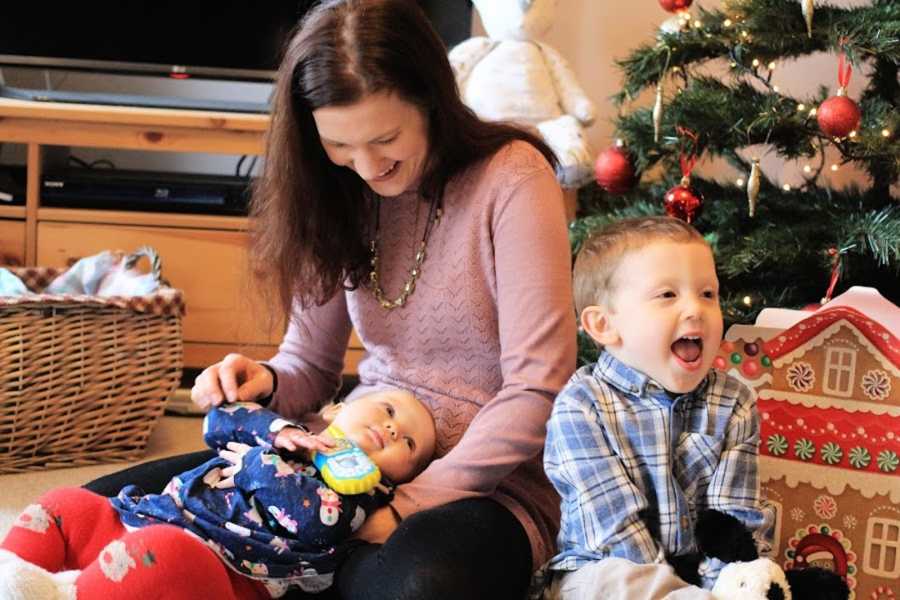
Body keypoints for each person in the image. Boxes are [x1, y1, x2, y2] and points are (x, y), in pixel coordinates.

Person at [85, 1, 577, 598]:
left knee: (417, 583)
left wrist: (411, 502)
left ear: (432, 100)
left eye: (386, 138)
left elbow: (537, 386)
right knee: (101, 509)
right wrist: (262, 381)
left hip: (490, 486)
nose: (367, 167)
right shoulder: (334, 188)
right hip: (338, 460)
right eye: (340, 145)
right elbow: (309, 368)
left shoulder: (513, 178)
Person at [1, 388, 436, 599]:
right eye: (389, 409)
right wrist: (276, 431)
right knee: (66, 504)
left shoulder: (357, 499)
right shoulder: (281, 433)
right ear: (338, 409)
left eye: (410, 444)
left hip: (214, 570)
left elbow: (307, 518)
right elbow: (217, 423)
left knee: (161, 557)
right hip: (148, 517)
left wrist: (253, 462)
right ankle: (12, 574)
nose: (394, 428)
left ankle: (62, 594)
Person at [541, 216, 764, 600]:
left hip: (698, 582)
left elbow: (734, 521)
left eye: (708, 294)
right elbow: (616, 531)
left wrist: (726, 586)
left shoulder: (735, 404)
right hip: (606, 568)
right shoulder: (581, 408)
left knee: (754, 583)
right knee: (606, 584)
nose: (696, 309)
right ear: (604, 325)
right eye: (667, 295)